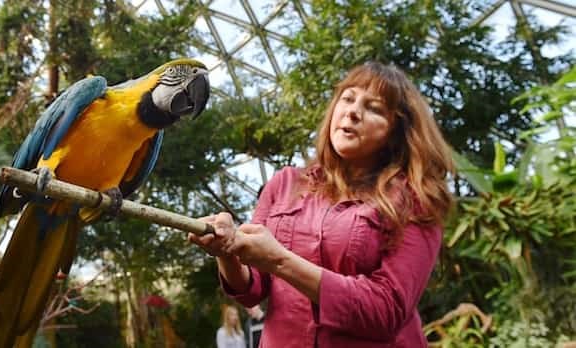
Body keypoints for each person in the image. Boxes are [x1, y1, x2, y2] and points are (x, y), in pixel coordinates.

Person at [189, 61, 454, 347]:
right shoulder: (285, 184)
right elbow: (253, 287)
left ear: (396, 131)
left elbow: (386, 310)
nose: (353, 111)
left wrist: (280, 259)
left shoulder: (416, 197)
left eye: (374, 108)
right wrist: (226, 250)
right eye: (348, 98)